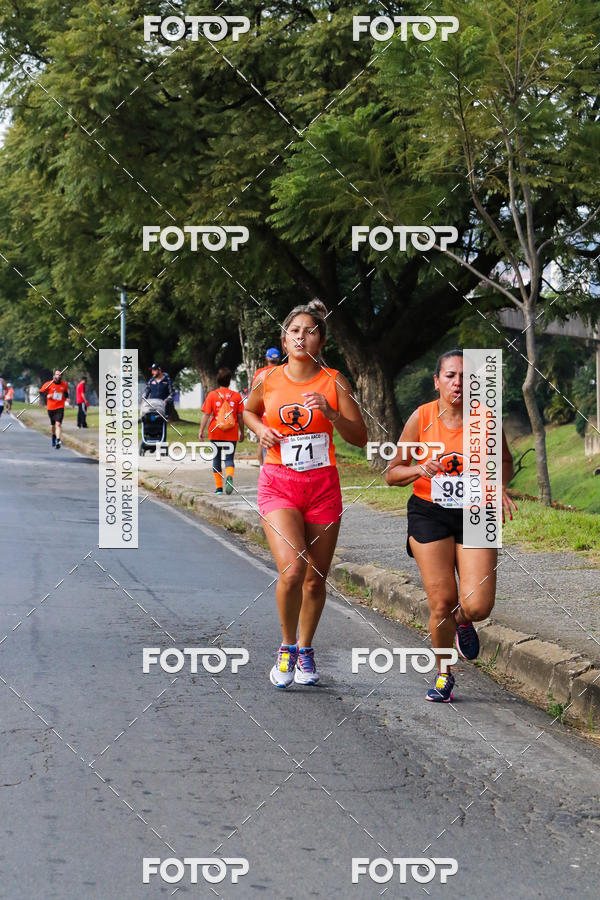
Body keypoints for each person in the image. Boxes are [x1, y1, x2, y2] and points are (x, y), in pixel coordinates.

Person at [244, 300, 368, 688]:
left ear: (321, 339)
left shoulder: (334, 381)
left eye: (309, 330)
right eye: (294, 330)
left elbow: (360, 437)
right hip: (279, 482)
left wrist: (331, 413)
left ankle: (306, 648)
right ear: (284, 339)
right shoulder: (267, 379)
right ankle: (286, 647)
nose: (301, 336)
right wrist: (259, 430)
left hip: (322, 487)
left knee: (316, 577)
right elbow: (248, 410)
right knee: (293, 569)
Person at [385, 349, 517, 703]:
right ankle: (444, 673)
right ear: (437, 381)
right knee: (440, 601)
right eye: (450, 375)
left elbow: (504, 461)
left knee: (478, 606)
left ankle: (463, 621)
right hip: (430, 512)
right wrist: (419, 469)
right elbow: (392, 473)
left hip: (477, 511)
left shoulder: (486, 419)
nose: (458, 382)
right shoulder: (422, 417)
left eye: (466, 376)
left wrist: (499, 485)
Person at [199, 368, 244, 495]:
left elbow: (206, 415)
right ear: (229, 381)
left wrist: (201, 430)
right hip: (231, 432)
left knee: (216, 458)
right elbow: (240, 417)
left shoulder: (212, 395)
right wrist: (242, 432)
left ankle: (219, 488)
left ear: (218, 380)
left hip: (215, 432)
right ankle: (229, 476)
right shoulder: (236, 396)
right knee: (229, 459)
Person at [251, 348, 282, 467]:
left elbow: (255, 391)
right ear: (278, 359)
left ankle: (262, 468)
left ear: (266, 358)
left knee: (262, 441)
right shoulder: (283, 371)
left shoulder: (260, 372)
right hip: (279, 411)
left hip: (263, 411)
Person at [40, 369, 69, 449]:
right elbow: (41, 392)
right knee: (52, 425)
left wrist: (67, 398)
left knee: (58, 424)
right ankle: (53, 436)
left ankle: (58, 440)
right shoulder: (49, 384)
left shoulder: (64, 384)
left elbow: (66, 393)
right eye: (57, 374)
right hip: (51, 407)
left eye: (60, 375)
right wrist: (47, 396)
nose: (59, 376)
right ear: (54, 375)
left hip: (60, 407)